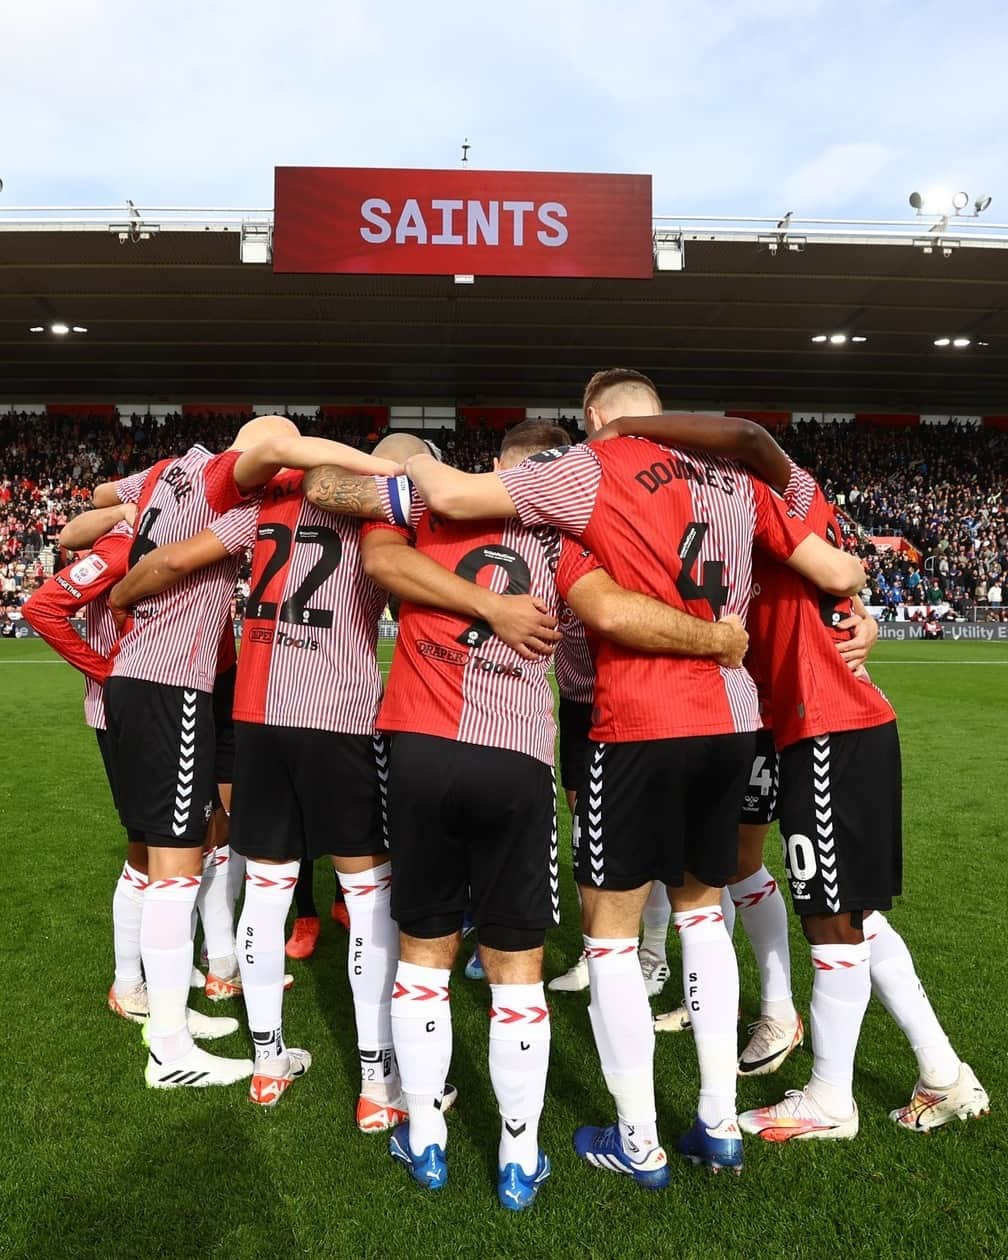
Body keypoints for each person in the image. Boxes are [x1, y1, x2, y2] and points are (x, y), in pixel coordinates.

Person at [400, 370, 865, 1180]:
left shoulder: (592, 466)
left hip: (641, 718)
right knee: (700, 913)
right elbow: (834, 571)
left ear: (593, 417)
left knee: (609, 933)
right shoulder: (738, 478)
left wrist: (403, 458)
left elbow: (464, 498)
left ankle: (638, 1138)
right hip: (733, 721)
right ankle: (717, 1125)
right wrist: (856, 620)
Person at [340, 419, 750, 1208]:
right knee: (518, 968)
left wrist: (413, 470)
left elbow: (376, 552)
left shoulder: (428, 504)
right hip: (518, 760)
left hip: (418, 746)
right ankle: (518, 1162)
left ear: (499, 467)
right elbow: (610, 612)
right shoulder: (570, 537)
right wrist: (717, 640)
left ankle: (426, 1141)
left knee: (424, 955)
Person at [104, 426, 411, 1109]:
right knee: (368, 895)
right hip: (339, 711)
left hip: (257, 712)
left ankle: (269, 1062)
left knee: (266, 890)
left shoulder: (261, 507)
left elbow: (175, 556)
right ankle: (376, 1078)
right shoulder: (383, 504)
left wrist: (124, 594)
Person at [22, 504, 239, 1046]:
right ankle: (132, 985)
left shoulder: (158, 544)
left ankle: (147, 978)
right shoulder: (123, 548)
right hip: (133, 713)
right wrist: (105, 668)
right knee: (154, 850)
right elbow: (43, 607)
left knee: (159, 847)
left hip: (152, 707)